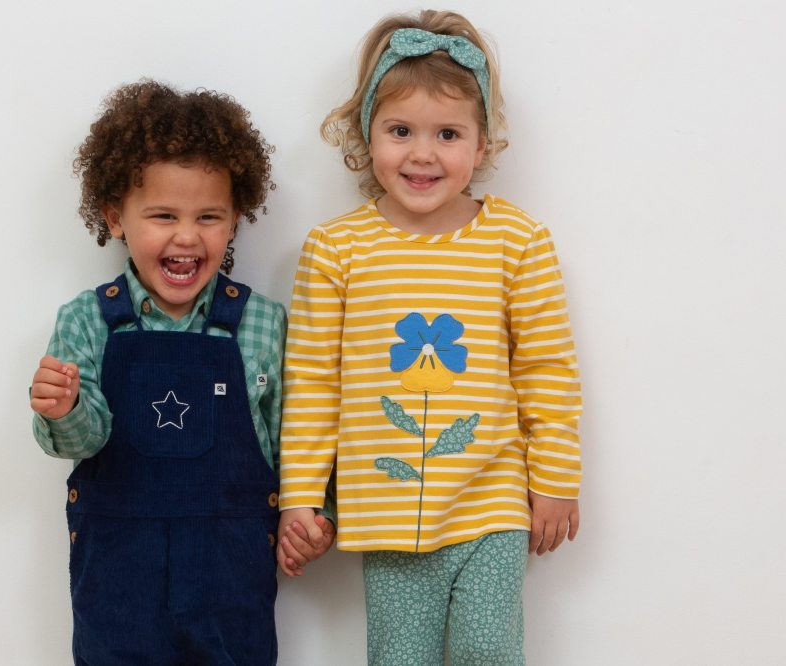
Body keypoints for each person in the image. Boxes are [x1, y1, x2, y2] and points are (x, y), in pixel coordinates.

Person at [275, 10, 583, 664]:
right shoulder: (336, 249)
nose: (422, 153)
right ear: (367, 135)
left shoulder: (518, 243)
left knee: (488, 653)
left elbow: (547, 366)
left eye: (447, 132)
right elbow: (312, 383)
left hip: (492, 501)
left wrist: (556, 477)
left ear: (481, 143)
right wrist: (300, 494)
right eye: (400, 130)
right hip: (386, 508)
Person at [30, 79, 312, 665]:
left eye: (209, 216)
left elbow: (300, 435)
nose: (187, 236)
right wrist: (64, 408)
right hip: (117, 585)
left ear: (235, 220)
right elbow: (85, 439)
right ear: (115, 217)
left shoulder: (261, 323)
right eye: (162, 215)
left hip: (230, 586)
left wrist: (312, 512)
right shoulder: (89, 320)